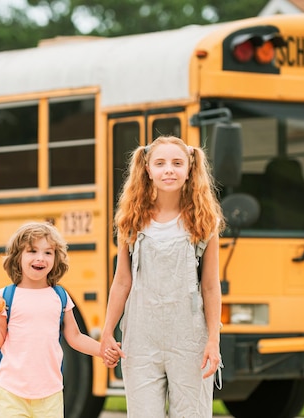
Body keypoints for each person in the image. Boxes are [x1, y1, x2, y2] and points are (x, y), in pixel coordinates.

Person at [100, 135, 225, 417]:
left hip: (190, 339)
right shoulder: (131, 221)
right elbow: (121, 282)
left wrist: (213, 341)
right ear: (147, 169)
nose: (169, 169)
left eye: (177, 163)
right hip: (141, 339)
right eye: (160, 163)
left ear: (190, 168)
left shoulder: (205, 223)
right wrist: (108, 331)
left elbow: (210, 286)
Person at [0, 221, 119, 418]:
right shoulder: (6, 296)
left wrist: (102, 351)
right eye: (32, 251)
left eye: (48, 252)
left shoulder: (60, 296)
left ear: (56, 258)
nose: (41, 258)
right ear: (17, 257)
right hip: (11, 392)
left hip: (50, 394)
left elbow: (75, 337)